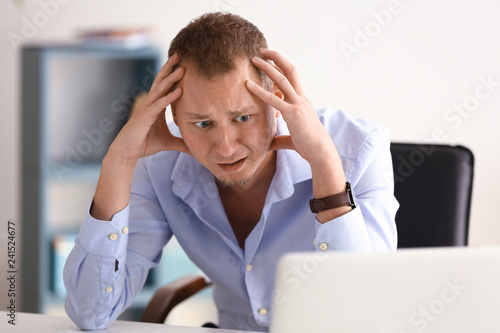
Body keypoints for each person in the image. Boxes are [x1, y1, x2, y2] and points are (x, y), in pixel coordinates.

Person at [63, 12, 398, 332]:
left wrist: (324, 161)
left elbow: (365, 315)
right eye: (202, 123)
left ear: (275, 101)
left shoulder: (360, 149)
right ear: (175, 119)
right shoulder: (158, 166)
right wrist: (119, 160)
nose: (225, 147)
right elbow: (92, 313)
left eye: (243, 118)